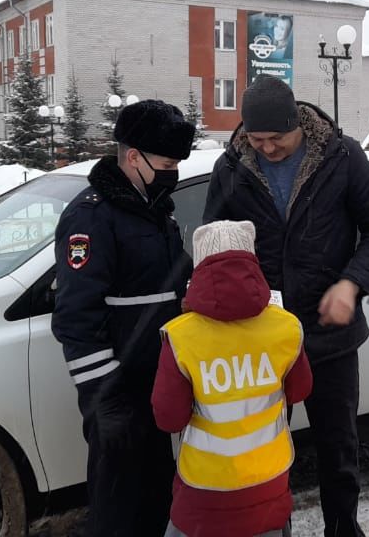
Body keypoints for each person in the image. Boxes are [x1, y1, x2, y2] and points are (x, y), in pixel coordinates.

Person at [203, 76, 369, 537]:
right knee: (262, 451)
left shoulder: (342, 157)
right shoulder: (231, 168)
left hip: (329, 336)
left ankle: (341, 529)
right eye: (257, 139)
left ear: (298, 125)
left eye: (277, 138)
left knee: (338, 448)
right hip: (261, 338)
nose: (267, 148)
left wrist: (352, 283)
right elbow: (214, 244)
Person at [52, 99, 196, 537]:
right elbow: (76, 317)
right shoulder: (92, 217)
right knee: (117, 504)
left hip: (155, 382)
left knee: (155, 494)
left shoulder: (154, 209)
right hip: (117, 390)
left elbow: (169, 286)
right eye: (167, 163)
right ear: (133, 157)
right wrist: (106, 396)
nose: (173, 172)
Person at [152, 220, 313, 537]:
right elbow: (301, 390)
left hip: (202, 498)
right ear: (252, 262)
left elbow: (168, 418)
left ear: (199, 269)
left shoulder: (181, 336)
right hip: (269, 492)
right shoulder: (286, 327)